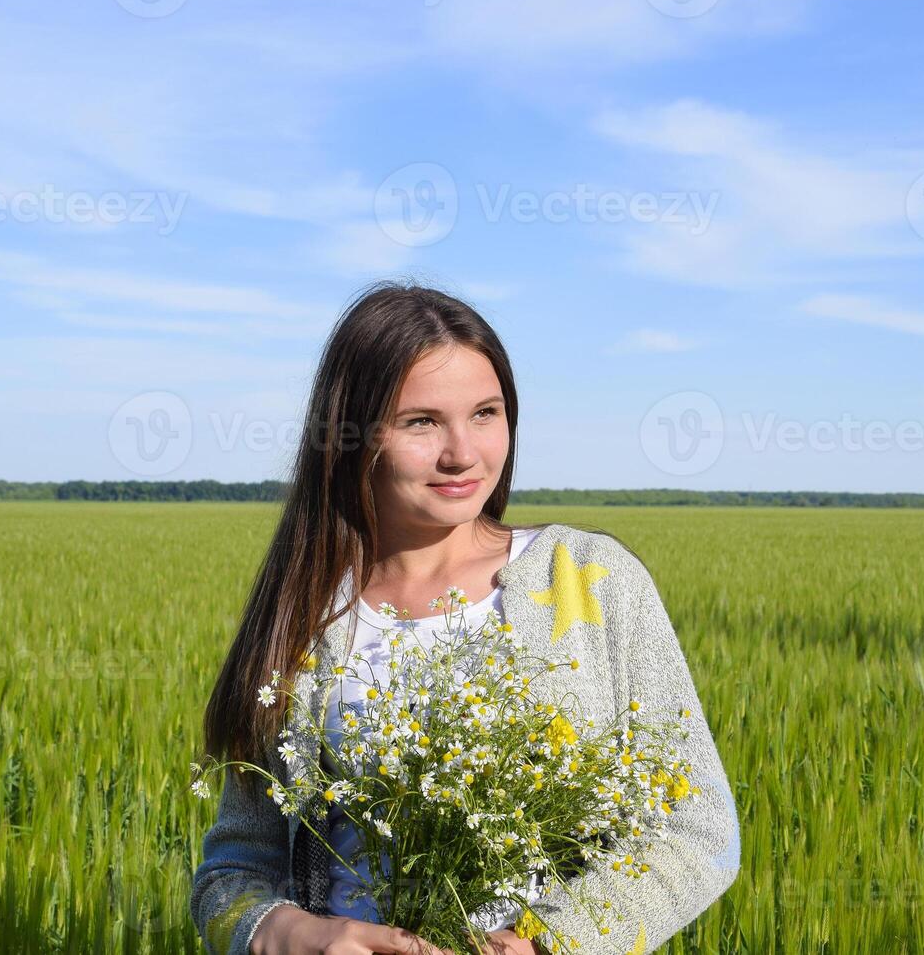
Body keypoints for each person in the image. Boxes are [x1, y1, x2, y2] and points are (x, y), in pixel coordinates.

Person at [192, 280, 740, 955]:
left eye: (485, 413)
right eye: (420, 422)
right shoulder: (304, 614)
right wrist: (296, 934)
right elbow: (231, 875)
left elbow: (698, 831)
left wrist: (548, 943)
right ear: (351, 437)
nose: (462, 452)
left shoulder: (588, 580)